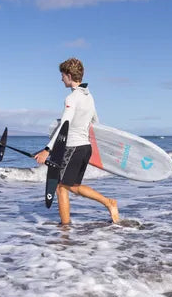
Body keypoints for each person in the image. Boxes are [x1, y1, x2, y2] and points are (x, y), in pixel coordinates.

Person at [34, 58, 119, 225]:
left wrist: (47, 150)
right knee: (71, 185)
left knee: (61, 187)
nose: (61, 79)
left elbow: (64, 126)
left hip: (73, 147)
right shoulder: (89, 96)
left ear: (69, 75)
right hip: (85, 147)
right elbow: (95, 122)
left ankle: (66, 228)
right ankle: (106, 203)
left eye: (62, 75)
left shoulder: (71, 98)